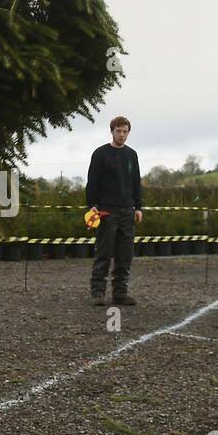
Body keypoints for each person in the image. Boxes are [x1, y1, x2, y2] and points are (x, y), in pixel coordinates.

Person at [86, 116, 143, 306]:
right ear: (112, 131)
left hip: (128, 211)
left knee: (125, 254)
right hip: (106, 211)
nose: (122, 134)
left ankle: (120, 293)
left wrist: (138, 207)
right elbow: (92, 181)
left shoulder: (132, 155)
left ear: (128, 132)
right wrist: (91, 205)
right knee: (104, 252)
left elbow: (136, 182)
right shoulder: (100, 154)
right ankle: (97, 293)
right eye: (118, 131)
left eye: (125, 131)